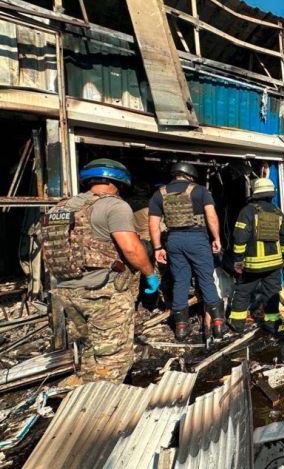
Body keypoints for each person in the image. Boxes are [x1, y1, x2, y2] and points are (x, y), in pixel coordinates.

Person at [40, 159, 159, 384]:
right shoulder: (114, 205)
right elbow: (131, 247)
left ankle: (85, 391)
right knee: (113, 357)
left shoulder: (60, 207)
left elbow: (48, 252)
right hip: (103, 293)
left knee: (89, 348)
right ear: (120, 182)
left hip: (67, 292)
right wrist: (149, 273)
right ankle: (106, 407)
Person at [148, 162, 225, 341]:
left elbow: (153, 225)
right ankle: (218, 324)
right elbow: (211, 217)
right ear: (190, 175)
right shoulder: (200, 191)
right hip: (197, 239)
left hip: (174, 240)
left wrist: (158, 247)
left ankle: (181, 327)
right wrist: (216, 238)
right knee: (206, 279)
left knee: (180, 282)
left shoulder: (159, 194)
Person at [229, 177, 284, 335]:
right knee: (271, 294)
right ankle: (271, 325)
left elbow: (240, 237)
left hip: (252, 266)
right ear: (271, 195)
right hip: (274, 266)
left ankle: (237, 325)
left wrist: (238, 259)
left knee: (243, 292)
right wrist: (281, 257)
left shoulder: (248, 211)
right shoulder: (278, 213)